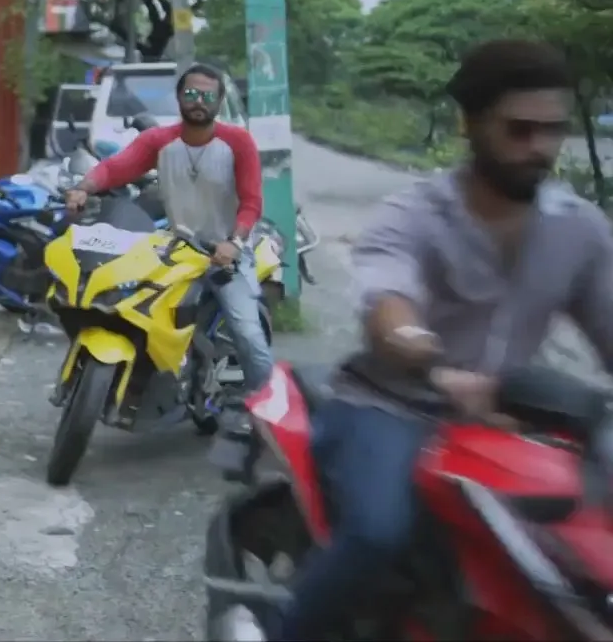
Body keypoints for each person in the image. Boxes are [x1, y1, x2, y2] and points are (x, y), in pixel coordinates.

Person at [266, 39, 613, 640]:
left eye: (552, 131)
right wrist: (431, 362)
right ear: (471, 124)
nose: (539, 148)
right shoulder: (414, 215)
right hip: (392, 402)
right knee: (376, 532)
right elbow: (389, 308)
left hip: (509, 405)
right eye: (520, 130)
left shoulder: (578, 228)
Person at [61, 63, 271, 464]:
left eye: (207, 95)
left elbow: (251, 202)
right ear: (179, 98)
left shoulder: (238, 142)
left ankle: (267, 416)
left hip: (227, 249)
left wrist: (234, 241)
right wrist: (84, 188)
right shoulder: (160, 140)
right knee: (131, 295)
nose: (198, 101)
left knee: (247, 332)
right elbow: (116, 167)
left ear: (219, 102)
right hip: (177, 245)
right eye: (191, 94)